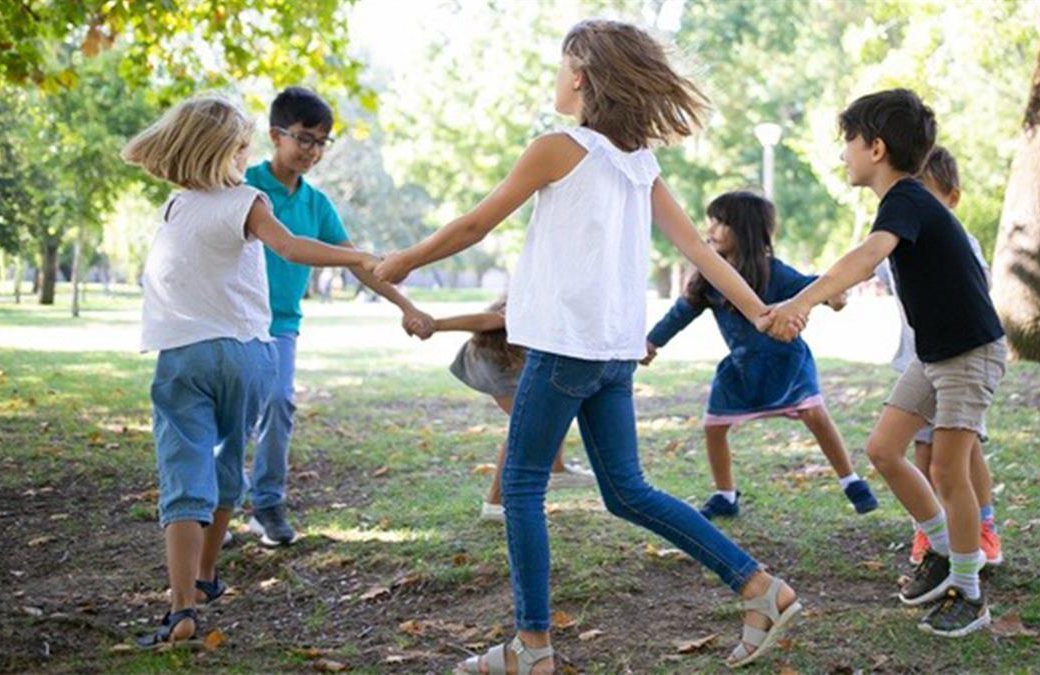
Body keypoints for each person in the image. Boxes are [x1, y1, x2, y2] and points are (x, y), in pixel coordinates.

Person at [375, 20, 804, 672]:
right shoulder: (639, 164)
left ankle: (532, 646)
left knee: (520, 488)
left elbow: (475, 222)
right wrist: (759, 308)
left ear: (580, 73)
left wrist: (405, 259)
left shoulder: (558, 147)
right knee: (626, 490)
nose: (555, 74)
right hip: (612, 354)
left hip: (566, 348)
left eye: (560, 62)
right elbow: (697, 251)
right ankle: (759, 587)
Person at [122, 95, 379, 647]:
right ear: (229, 152)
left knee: (184, 470)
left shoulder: (174, 208)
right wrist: (359, 257)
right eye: (242, 147)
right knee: (228, 457)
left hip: (184, 356)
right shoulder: (246, 199)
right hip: (247, 354)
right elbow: (288, 247)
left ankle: (180, 606)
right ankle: (209, 574)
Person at [769, 89, 1007, 638]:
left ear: (876, 148)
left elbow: (870, 253)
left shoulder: (907, 197)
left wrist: (800, 302)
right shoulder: (904, 205)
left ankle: (969, 591)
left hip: (969, 353)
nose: (843, 155)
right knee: (882, 449)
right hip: (935, 352)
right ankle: (946, 552)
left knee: (948, 469)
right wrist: (826, 291)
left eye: (848, 143)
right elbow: (873, 260)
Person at [244, 86, 433, 546]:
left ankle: (267, 504)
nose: (313, 151)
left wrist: (407, 306)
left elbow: (357, 263)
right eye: (305, 139)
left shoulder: (316, 204)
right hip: (234, 323)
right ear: (275, 135)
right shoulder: (243, 186)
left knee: (279, 403)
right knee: (231, 417)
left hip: (282, 324)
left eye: (322, 142)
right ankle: (215, 505)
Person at [643, 191, 878, 519]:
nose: (710, 229)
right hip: (742, 371)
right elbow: (681, 313)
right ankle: (725, 495)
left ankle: (850, 480)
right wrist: (652, 342)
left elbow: (813, 287)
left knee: (816, 416)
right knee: (714, 426)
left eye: (720, 222)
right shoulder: (710, 278)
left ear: (745, 231)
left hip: (788, 364)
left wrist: (835, 295)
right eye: (710, 221)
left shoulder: (774, 273)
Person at [874, 146, 1002, 568]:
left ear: (950, 198)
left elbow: (975, 295)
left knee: (955, 460)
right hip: (920, 357)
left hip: (961, 354)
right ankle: (936, 534)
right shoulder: (893, 226)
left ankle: (974, 545)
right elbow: (870, 264)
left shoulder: (955, 237)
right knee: (913, 453)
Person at [407, 295, 596, 522]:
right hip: (498, 358)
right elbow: (490, 321)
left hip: (524, 353)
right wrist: (435, 325)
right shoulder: (546, 284)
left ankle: (556, 470)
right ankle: (495, 504)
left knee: (554, 407)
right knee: (528, 424)